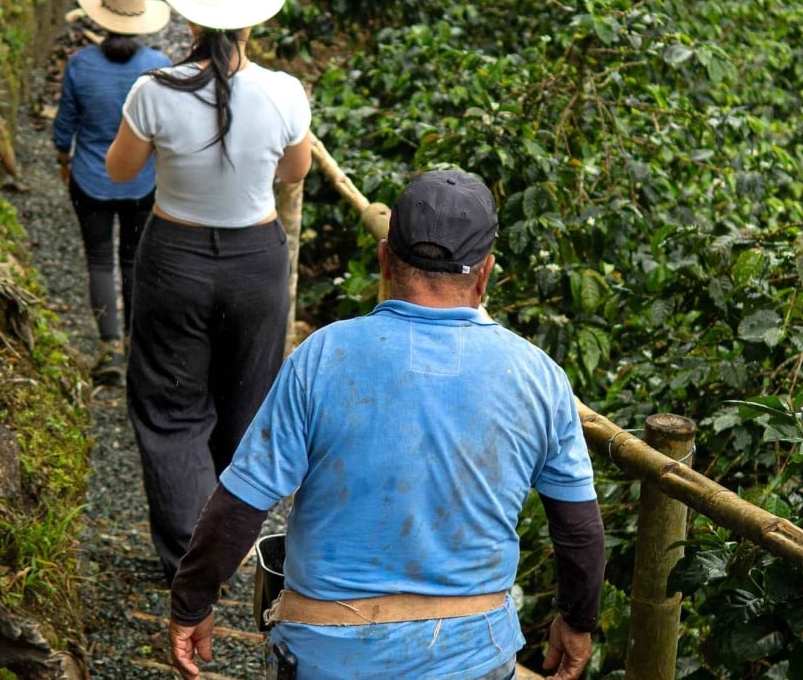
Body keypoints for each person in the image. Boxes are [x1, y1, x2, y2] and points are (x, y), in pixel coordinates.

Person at [166, 170, 605, 680]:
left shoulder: (322, 356)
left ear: (384, 260)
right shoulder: (539, 377)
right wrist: (577, 622)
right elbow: (578, 527)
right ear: (485, 274)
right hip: (473, 656)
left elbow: (242, 502)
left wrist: (191, 603)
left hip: (327, 658)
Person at [105, 0, 313, 583]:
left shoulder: (154, 91)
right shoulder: (283, 92)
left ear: (190, 21)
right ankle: (226, 543)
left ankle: (188, 560)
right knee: (245, 406)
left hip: (175, 259)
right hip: (256, 263)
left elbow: (120, 170)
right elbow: (295, 172)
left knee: (170, 410)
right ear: (250, 23)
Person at [52, 0, 172, 385]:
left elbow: (64, 127)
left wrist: (64, 161)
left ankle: (109, 350)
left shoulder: (80, 64)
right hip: (142, 182)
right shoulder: (159, 68)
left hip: (90, 178)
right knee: (134, 260)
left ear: (101, 16)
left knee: (100, 261)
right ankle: (137, 348)